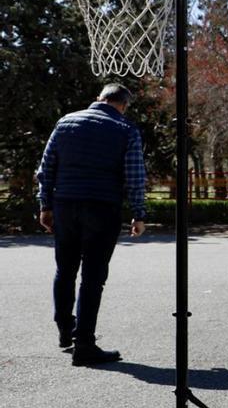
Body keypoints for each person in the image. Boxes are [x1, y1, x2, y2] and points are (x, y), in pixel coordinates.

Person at [35, 83, 146, 366]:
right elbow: (134, 176)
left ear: (99, 98)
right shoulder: (126, 130)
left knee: (65, 269)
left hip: (65, 204)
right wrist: (138, 213)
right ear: (123, 104)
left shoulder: (66, 122)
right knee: (93, 277)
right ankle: (84, 344)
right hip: (102, 206)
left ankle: (65, 329)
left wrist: (45, 205)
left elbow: (46, 167)